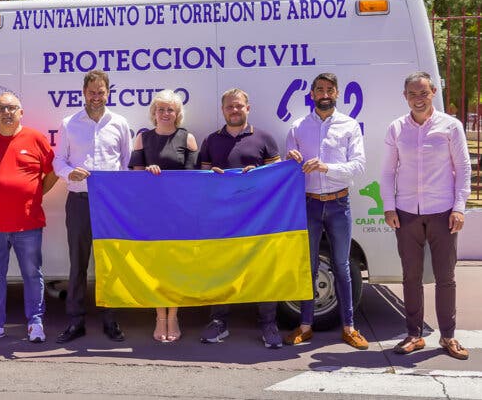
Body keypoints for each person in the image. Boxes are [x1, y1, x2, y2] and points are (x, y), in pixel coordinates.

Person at [382, 71, 471, 360]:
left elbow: (463, 168)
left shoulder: (451, 126)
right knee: (411, 277)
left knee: (446, 277)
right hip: (407, 213)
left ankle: (448, 336)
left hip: (443, 212)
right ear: (405, 96)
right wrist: (389, 206)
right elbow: (388, 171)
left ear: (433, 92)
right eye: (412, 94)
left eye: (423, 93)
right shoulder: (397, 128)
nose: (418, 99)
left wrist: (459, 207)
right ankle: (414, 334)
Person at [284, 72, 369, 350]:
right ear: (311, 94)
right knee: (307, 266)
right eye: (319, 89)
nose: (324, 94)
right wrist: (291, 158)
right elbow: (289, 164)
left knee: (342, 266)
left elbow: (358, 166)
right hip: (308, 204)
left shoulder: (349, 125)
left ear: (337, 94)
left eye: (330, 90)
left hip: (338, 204)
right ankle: (305, 326)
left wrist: (325, 168)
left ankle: (349, 328)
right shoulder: (298, 127)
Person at [0, 92, 58, 344]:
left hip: (28, 223)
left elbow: (52, 173)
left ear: (21, 112)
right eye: (1, 108)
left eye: (12, 108)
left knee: (32, 275)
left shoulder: (36, 139)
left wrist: (34, 194)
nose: (7, 112)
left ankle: (35, 323)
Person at [195, 88, 283, 349]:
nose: (234, 110)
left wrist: (258, 174)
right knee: (221, 270)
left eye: (239, 106)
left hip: (258, 217)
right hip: (222, 218)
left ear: (248, 108)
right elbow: (202, 180)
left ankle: (268, 324)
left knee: (263, 270)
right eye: (229, 107)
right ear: (223, 110)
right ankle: (219, 322)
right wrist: (212, 176)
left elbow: (277, 177)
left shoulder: (264, 138)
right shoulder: (211, 141)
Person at [53, 69, 132, 343]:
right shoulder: (69, 123)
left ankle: (111, 321)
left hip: (109, 205)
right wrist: (69, 173)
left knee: (109, 264)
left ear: (108, 92)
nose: (96, 97)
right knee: (78, 264)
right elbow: (58, 160)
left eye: (101, 92)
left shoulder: (119, 123)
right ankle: (76, 322)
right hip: (79, 202)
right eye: (91, 92)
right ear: (83, 93)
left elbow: (125, 163)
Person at [129, 89, 198, 342]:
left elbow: (192, 181)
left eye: (170, 109)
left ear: (177, 113)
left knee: (176, 266)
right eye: (161, 109)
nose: (165, 113)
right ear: (154, 113)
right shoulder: (142, 138)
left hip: (179, 214)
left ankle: (174, 316)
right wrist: (148, 172)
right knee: (156, 266)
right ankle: (160, 316)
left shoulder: (187, 138)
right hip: (152, 213)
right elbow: (135, 178)